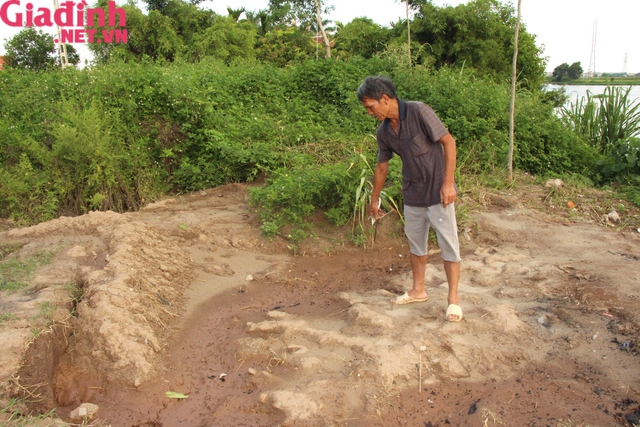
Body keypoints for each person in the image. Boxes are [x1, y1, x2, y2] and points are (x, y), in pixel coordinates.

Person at [357, 75, 462, 322]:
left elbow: (449, 142)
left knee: (449, 245)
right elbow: (382, 167)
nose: (370, 112)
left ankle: (453, 300)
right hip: (412, 194)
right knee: (416, 245)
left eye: (370, 107)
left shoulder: (418, 111)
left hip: (439, 193)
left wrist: (448, 184)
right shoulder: (384, 132)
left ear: (384, 99)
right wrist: (374, 200)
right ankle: (418, 290)